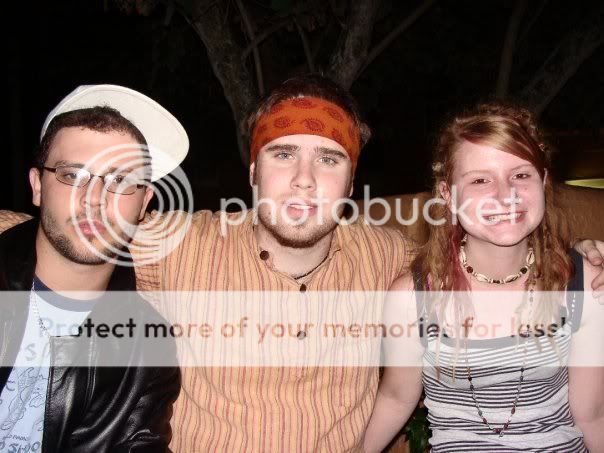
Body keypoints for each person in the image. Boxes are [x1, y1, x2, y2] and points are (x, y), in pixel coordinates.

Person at [3, 77, 604, 452]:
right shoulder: (180, 242)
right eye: (283, 154)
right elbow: (67, 222)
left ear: (351, 180)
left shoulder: (387, 260)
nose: (304, 180)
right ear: (252, 172)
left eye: (329, 159)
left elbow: (483, 248)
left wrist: (581, 253)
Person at [364, 102, 604, 452]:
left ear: (543, 181)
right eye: (480, 180)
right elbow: (397, 397)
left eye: (521, 175)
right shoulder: (413, 295)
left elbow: (592, 413)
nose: (505, 195)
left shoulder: (582, 282)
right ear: (448, 195)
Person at [0, 85, 185, 452]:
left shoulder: (147, 350)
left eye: (121, 181)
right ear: (37, 186)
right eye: (73, 176)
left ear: (144, 203)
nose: (94, 200)